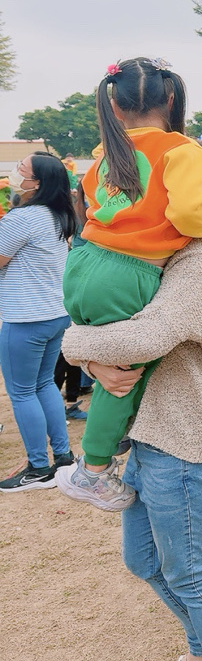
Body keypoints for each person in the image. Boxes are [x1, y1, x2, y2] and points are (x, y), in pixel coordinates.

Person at [58, 148, 202, 661]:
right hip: (151, 432)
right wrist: (92, 354)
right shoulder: (159, 248)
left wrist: (72, 345)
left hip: (188, 436)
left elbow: (149, 335)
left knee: (190, 570)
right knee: (144, 561)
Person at [58, 58, 202, 511]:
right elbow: (188, 212)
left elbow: (94, 205)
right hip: (127, 272)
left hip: (83, 263)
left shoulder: (104, 154)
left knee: (108, 362)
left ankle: (110, 442)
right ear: (171, 98)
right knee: (125, 374)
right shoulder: (182, 150)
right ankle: (93, 468)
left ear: (114, 106)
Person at [0, 153, 75, 491]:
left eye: (22, 169)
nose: (16, 173)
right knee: (44, 384)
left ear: (37, 183)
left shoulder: (23, 217)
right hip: (54, 314)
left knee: (21, 392)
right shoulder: (57, 215)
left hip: (25, 318)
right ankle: (63, 457)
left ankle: (38, 468)